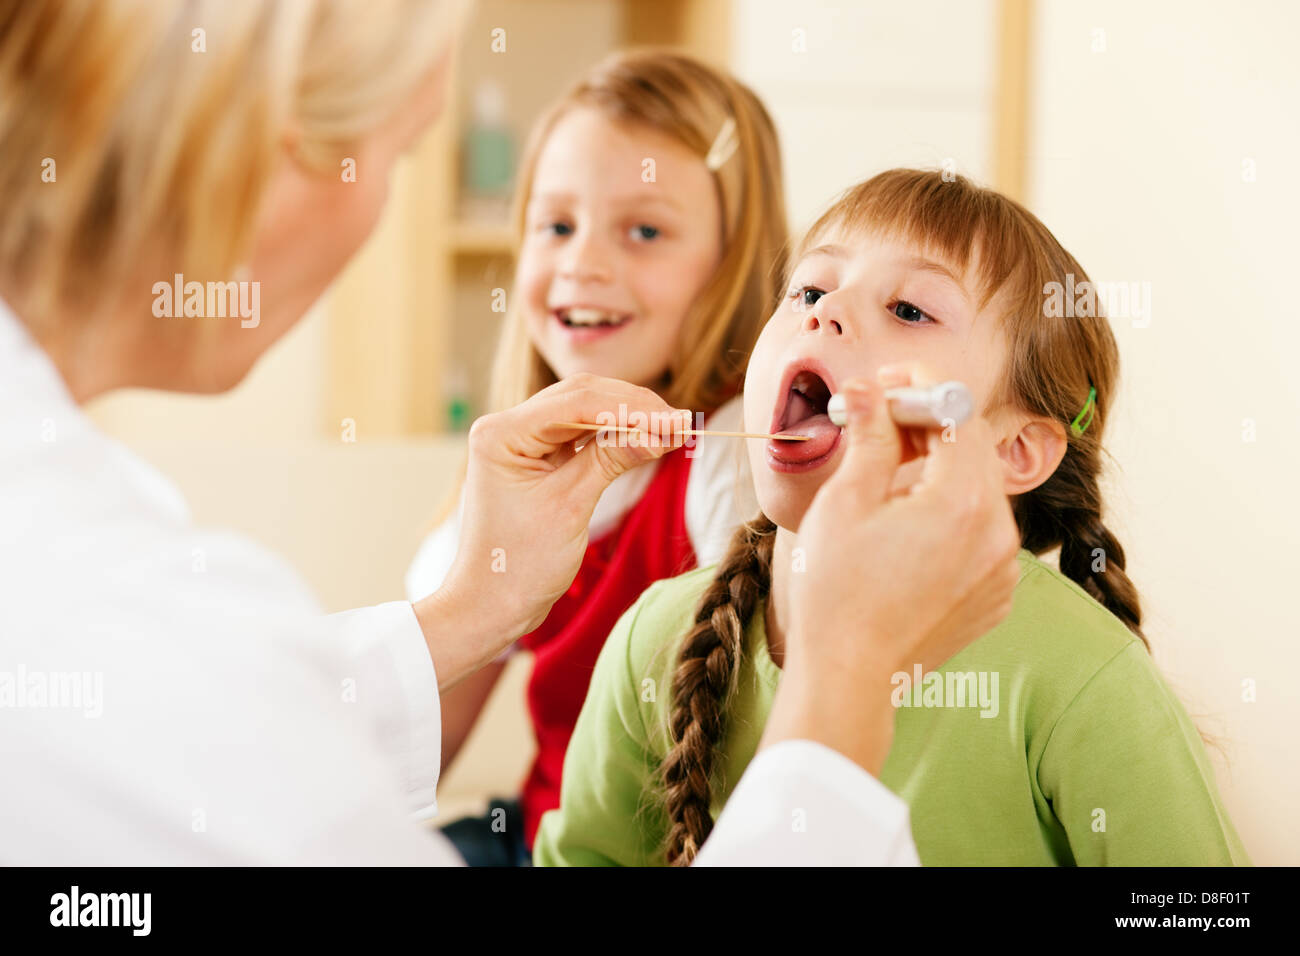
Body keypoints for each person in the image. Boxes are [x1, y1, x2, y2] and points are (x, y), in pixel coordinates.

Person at [0, 0, 1020, 865]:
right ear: (277, 149)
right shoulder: (103, 608)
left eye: (646, 230)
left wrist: (464, 611)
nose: (581, 265)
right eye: (394, 154)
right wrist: (844, 680)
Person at [533, 169, 1250, 866]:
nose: (825, 311)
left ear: (1016, 449)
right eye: (810, 288)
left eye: (909, 310)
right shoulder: (654, 641)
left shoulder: (1081, 676)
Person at [405, 48, 786, 865]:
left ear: (734, 265)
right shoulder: (512, 471)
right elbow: (412, 738)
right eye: (556, 225)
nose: (583, 263)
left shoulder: (729, 459)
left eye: (644, 230)